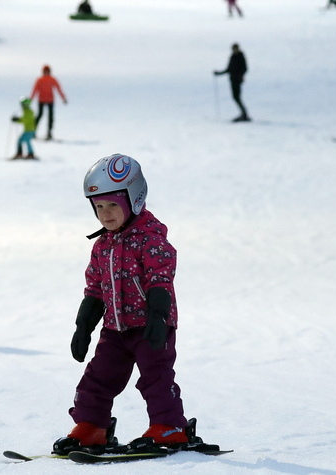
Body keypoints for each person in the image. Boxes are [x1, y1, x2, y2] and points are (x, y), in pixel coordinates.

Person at [52, 153, 190, 455]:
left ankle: (170, 427)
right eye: (99, 207)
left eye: (113, 205)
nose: (106, 214)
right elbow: (95, 289)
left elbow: (160, 279)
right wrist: (83, 328)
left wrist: (157, 316)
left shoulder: (151, 239)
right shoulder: (102, 246)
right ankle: (92, 426)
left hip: (151, 326)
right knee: (97, 378)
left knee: (156, 377)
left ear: (134, 200)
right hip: (115, 328)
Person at [214, 43, 250, 122]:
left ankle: (244, 114)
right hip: (232, 80)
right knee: (235, 97)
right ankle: (244, 114)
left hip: (238, 80)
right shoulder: (232, 57)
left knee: (237, 97)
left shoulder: (241, 57)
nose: (234, 50)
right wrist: (218, 73)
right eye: (233, 49)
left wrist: (240, 75)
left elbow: (245, 68)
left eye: (235, 49)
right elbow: (229, 69)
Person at [30, 65, 67, 140]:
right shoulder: (40, 80)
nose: (46, 73)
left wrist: (63, 98)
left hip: (50, 100)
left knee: (50, 117)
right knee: (40, 115)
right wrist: (31, 99)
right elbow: (35, 90)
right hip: (41, 100)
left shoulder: (52, 79)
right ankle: (32, 132)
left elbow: (58, 89)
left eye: (47, 71)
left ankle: (49, 133)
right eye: (45, 71)